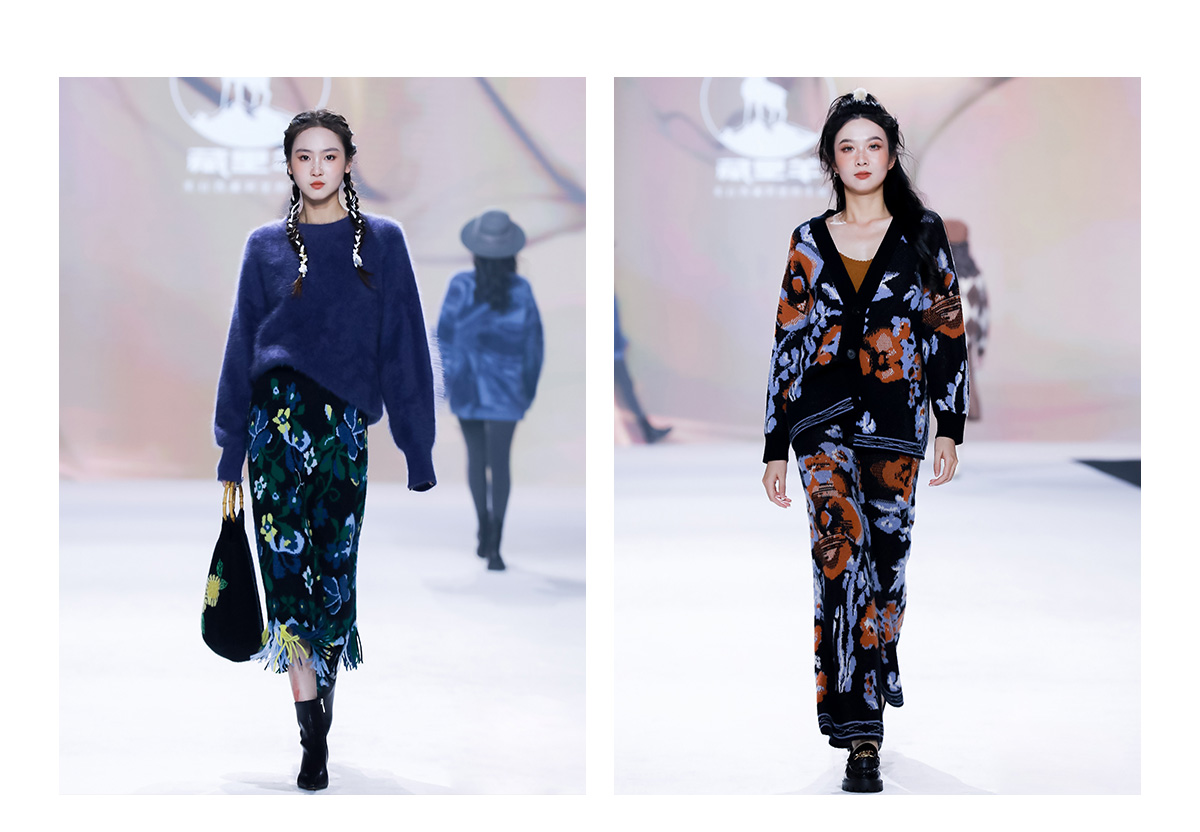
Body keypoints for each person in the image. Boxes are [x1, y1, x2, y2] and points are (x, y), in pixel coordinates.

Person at [214, 109, 437, 791]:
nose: (316, 168)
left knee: (334, 577)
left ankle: (322, 698)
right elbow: (241, 345)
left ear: (348, 162)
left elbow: (404, 345)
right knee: (287, 580)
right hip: (275, 433)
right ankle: (312, 736)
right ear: (289, 166)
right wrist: (230, 448)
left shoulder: (383, 243)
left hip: (341, 435)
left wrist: (417, 447)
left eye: (329, 155)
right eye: (304, 156)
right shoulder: (263, 247)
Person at [760, 88, 969, 793]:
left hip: (898, 425)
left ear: (890, 155)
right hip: (819, 423)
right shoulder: (806, 239)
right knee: (839, 556)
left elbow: (945, 325)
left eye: (872, 146)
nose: (859, 158)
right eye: (846, 147)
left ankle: (876, 660)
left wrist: (949, 423)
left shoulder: (922, 233)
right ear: (830, 159)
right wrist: (774, 443)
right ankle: (861, 734)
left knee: (886, 573)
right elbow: (788, 340)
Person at [437, 210, 543, 572]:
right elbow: (534, 346)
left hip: (467, 387)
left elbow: (443, 340)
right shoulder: (521, 290)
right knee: (500, 464)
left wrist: (447, 385)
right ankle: (495, 542)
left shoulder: (460, 285)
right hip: (507, 391)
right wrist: (527, 389)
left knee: (476, 459)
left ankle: (483, 525)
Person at [615, 296, 671, 443]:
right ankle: (648, 430)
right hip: (615, 354)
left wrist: (622, 341)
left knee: (627, 390)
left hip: (616, 352)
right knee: (627, 391)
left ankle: (647, 430)